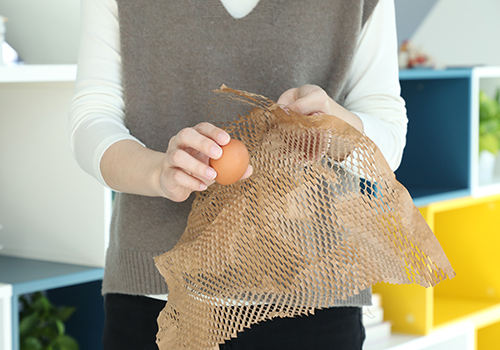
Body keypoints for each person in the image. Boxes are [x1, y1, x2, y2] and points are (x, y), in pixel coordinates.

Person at [69, 0, 407, 348]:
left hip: (315, 296)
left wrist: (336, 124)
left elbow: (390, 136)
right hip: (156, 294)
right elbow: (92, 118)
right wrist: (158, 171)